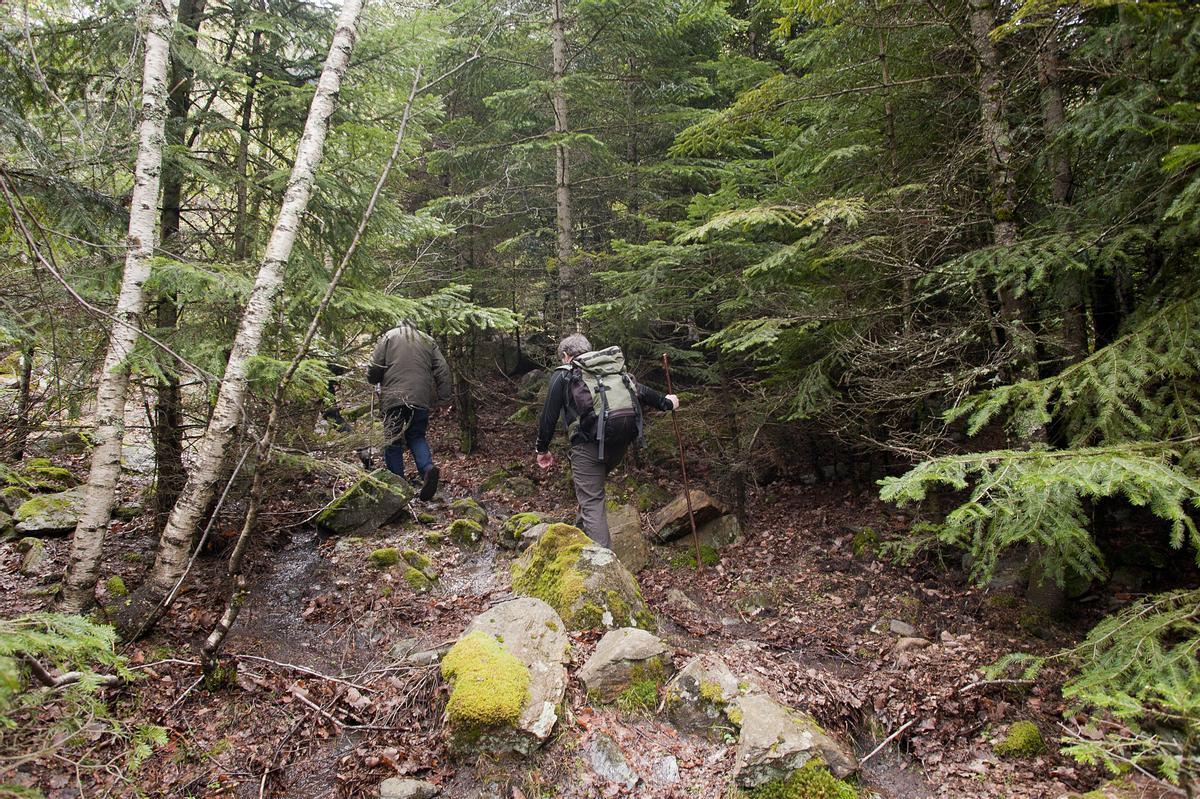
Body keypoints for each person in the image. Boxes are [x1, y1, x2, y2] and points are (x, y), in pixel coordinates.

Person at [535, 333, 679, 547]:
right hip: (618, 444)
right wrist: (667, 402)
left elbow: (548, 416)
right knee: (589, 495)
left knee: (592, 501)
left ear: (566, 356)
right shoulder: (610, 368)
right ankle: (578, 547)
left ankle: (606, 567)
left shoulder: (565, 374)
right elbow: (640, 391)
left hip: (588, 449)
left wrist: (542, 449)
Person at [367, 321, 452, 500]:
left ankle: (398, 486)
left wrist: (373, 379)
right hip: (420, 397)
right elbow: (442, 369)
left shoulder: (389, 337)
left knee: (393, 440)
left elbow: (375, 367)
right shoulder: (427, 339)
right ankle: (428, 470)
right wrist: (444, 400)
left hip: (393, 397)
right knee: (416, 436)